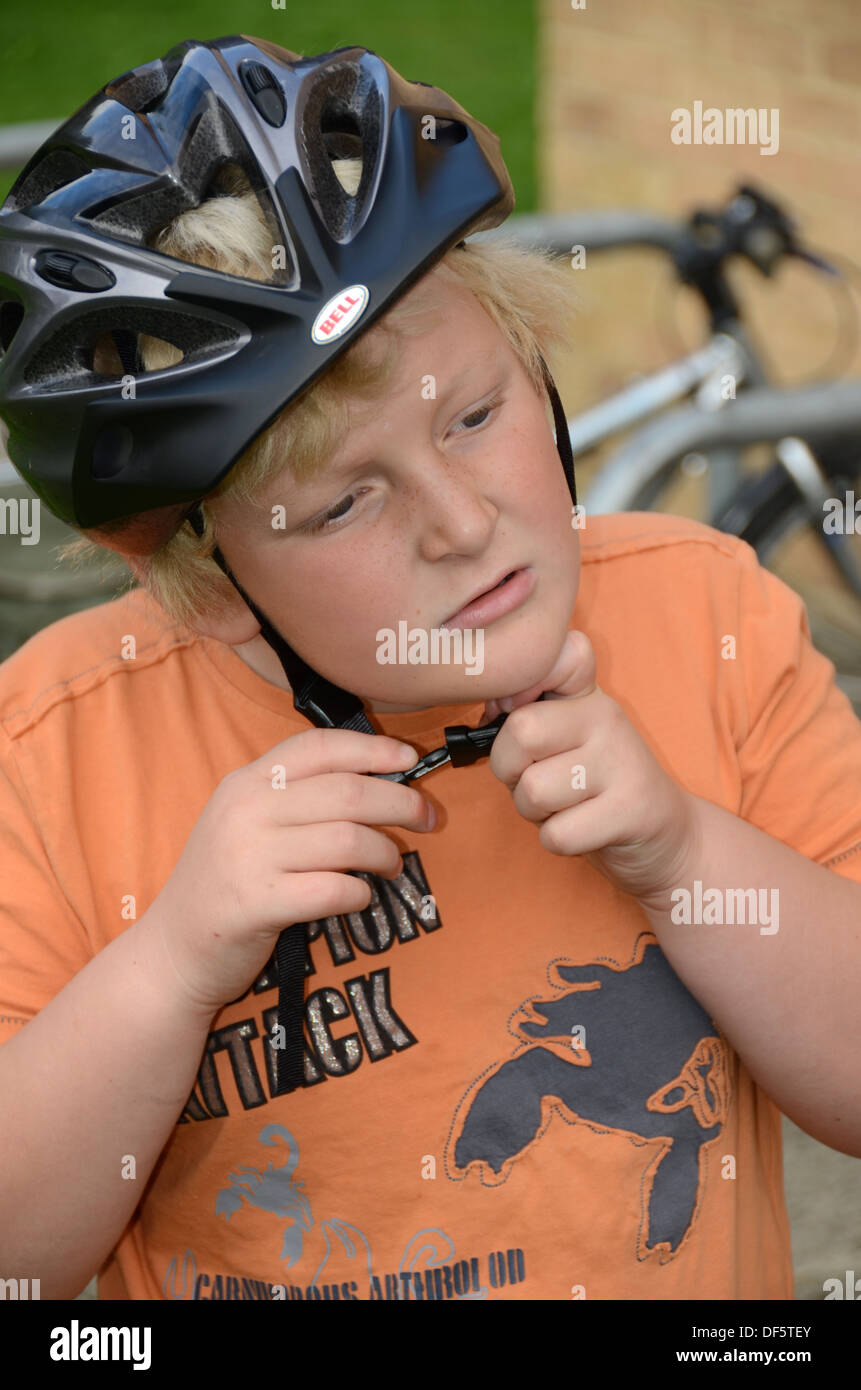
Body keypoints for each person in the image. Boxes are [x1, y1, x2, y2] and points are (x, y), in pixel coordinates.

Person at [0, 34, 859, 1304]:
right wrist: (173, 963)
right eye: (345, 504)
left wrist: (683, 855)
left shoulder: (705, 610)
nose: (462, 523)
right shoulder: (61, 746)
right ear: (209, 576)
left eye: (475, 415)